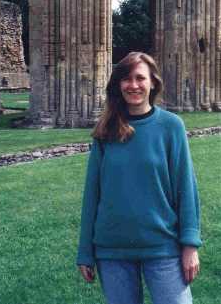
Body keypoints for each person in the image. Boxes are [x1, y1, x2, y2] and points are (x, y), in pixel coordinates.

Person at [77, 51, 202, 304]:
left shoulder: (171, 126)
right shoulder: (105, 131)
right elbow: (92, 194)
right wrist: (85, 252)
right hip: (113, 250)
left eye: (140, 78)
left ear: (153, 82)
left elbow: (185, 188)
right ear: (118, 85)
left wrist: (190, 245)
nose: (133, 85)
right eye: (126, 79)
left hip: (162, 246)